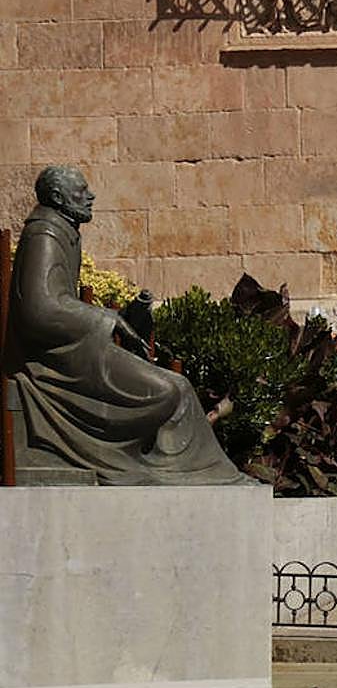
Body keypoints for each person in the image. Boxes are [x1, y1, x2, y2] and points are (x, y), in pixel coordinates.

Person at [5, 165, 245, 485]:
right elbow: (40, 309)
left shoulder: (63, 229)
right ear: (58, 198)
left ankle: (187, 471)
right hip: (57, 362)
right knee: (169, 390)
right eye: (81, 191)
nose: (90, 197)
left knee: (177, 388)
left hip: (76, 347)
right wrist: (107, 319)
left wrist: (112, 318)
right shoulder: (45, 235)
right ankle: (170, 470)